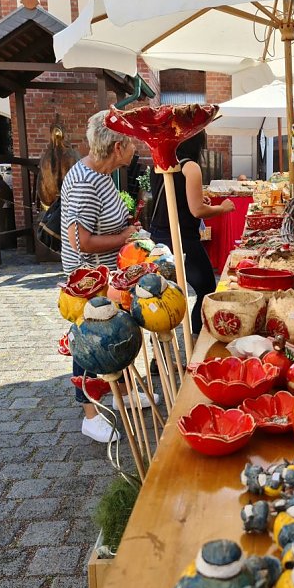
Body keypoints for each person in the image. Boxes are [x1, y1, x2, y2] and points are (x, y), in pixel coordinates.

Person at [61, 111, 156, 443]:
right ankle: (90, 415)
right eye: (132, 142)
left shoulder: (101, 175)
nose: (136, 148)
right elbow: (81, 242)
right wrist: (126, 237)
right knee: (90, 343)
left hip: (107, 276)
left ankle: (123, 394)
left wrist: (127, 230)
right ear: (118, 147)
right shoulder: (86, 182)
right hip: (89, 282)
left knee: (118, 334)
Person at [149, 132, 235, 338]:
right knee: (206, 286)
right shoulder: (191, 167)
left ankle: (160, 344)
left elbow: (172, 199)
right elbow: (197, 210)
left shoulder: (160, 163)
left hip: (159, 236)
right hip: (182, 238)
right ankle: (198, 336)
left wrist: (196, 199)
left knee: (161, 294)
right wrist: (222, 208)